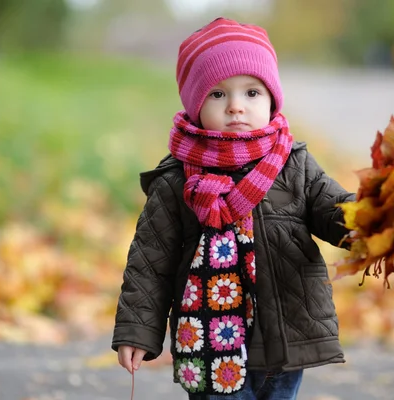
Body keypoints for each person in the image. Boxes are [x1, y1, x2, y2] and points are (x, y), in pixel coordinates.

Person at [112, 17, 355, 400]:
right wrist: (137, 330)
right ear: (195, 105)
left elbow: (335, 210)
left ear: (273, 98)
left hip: (284, 339)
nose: (236, 107)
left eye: (252, 93)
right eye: (218, 94)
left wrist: (379, 222)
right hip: (209, 344)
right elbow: (150, 260)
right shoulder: (176, 179)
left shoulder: (293, 164)